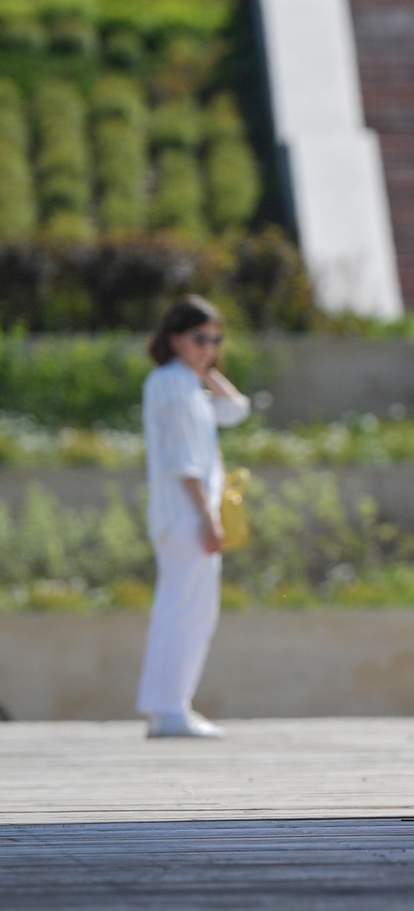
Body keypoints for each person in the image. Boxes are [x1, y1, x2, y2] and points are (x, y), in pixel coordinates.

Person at [137, 296, 251, 738]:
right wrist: (209, 518)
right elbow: (184, 461)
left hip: (187, 514)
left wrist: (205, 368)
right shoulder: (172, 383)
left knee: (190, 610)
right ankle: (169, 708)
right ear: (174, 338)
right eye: (199, 338)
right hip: (187, 514)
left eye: (215, 339)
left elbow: (236, 409)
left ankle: (169, 706)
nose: (209, 346)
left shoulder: (185, 381)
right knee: (185, 611)